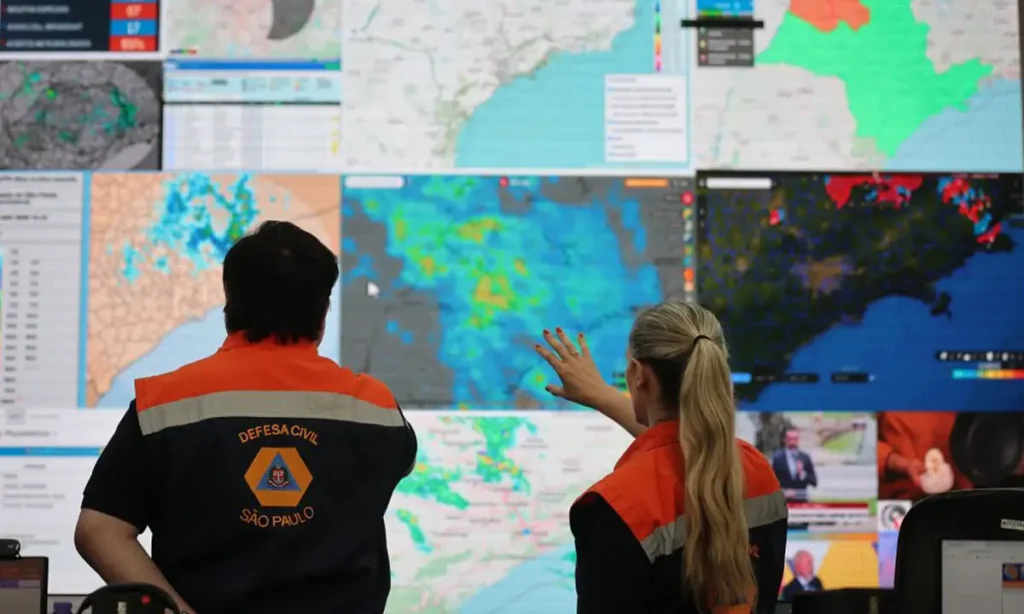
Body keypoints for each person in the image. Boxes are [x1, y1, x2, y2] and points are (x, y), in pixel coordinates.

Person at [73, 221, 417, 614]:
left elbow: (99, 530)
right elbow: (400, 463)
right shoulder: (377, 407)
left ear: (229, 303)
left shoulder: (163, 403)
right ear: (323, 311)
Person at [535, 301, 788, 614]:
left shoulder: (614, 505)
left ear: (638, 374)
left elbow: (669, 457)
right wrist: (603, 396)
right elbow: (685, 445)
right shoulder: (759, 472)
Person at [770, 428, 818, 500]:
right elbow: (771, 482)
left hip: (801, 500)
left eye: (795, 439)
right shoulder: (777, 458)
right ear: (785, 440)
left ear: (798, 440)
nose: (792, 442)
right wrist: (784, 491)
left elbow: (814, 482)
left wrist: (802, 473)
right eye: (790, 439)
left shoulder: (805, 458)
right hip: (783, 500)